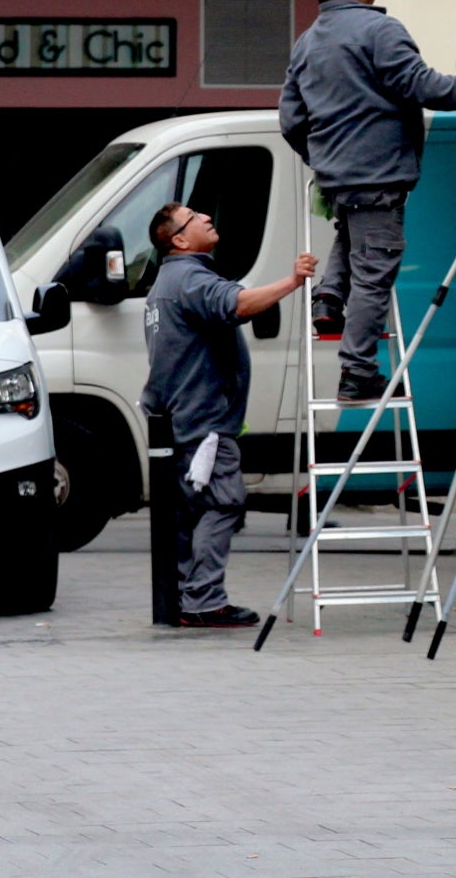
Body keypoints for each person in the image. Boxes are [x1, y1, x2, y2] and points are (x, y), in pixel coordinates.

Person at [279, 0, 456, 402]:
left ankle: (328, 297)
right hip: (377, 171)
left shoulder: (307, 42)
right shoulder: (379, 29)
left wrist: (324, 155)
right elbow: (420, 85)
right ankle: (358, 372)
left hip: (339, 174)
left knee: (351, 237)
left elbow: (291, 118)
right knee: (375, 272)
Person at [140, 201, 316, 628]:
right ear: (179, 240)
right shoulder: (190, 278)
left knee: (195, 510)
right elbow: (237, 304)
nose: (204, 216)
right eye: (192, 217)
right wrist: (293, 281)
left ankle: (188, 597)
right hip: (204, 421)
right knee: (225, 503)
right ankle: (203, 600)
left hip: (181, 417)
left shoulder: (168, 281)